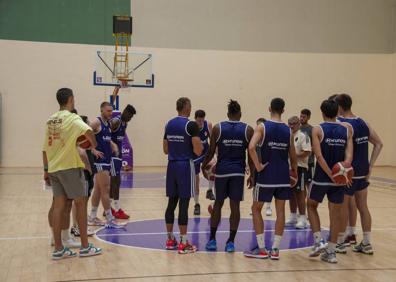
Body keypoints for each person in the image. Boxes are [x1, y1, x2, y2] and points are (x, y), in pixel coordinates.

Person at [43, 88, 102, 259]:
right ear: (70, 99)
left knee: (58, 207)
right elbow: (89, 131)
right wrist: (93, 143)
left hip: (54, 168)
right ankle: (85, 247)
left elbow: (45, 148)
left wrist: (46, 170)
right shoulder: (73, 118)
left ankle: (59, 249)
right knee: (81, 204)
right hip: (69, 166)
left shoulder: (50, 120)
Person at [244, 98, 297, 260]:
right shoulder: (288, 130)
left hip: (266, 175)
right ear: (283, 110)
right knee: (280, 211)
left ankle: (261, 249)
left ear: (269, 108)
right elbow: (293, 156)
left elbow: (251, 147)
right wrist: (294, 172)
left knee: (256, 209)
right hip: (283, 175)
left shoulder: (262, 126)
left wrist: (258, 166)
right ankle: (275, 249)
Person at [202, 100, 254, 252]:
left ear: (227, 114)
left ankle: (212, 240)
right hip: (238, 172)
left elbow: (211, 152)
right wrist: (252, 174)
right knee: (235, 206)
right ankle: (230, 242)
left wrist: (203, 165)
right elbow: (250, 155)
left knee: (218, 204)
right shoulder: (248, 130)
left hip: (222, 171)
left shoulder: (218, 128)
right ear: (240, 114)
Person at [335, 94, 383, 255]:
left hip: (347, 172)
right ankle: (367, 243)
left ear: (340, 107)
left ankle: (340, 242)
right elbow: (379, 144)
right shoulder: (363, 122)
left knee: (343, 208)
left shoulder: (342, 124)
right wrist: (370, 165)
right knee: (363, 207)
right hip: (362, 172)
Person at [307, 99, 353, 264]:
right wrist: (343, 173)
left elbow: (319, 156)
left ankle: (319, 241)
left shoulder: (317, 129)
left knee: (311, 205)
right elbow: (349, 156)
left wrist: (330, 174)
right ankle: (331, 252)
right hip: (340, 179)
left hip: (322, 177)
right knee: (336, 214)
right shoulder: (346, 129)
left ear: (322, 112)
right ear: (336, 112)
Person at [163, 97, 203, 254]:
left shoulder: (169, 124)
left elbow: (165, 149)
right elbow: (198, 150)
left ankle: (169, 239)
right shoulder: (191, 125)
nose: (191, 108)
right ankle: (184, 243)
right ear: (186, 108)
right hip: (185, 165)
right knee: (184, 203)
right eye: (190, 106)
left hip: (171, 165)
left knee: (171, 202)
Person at [88, 102, 124, 228]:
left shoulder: (108, 124)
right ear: (101, 110)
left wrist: (113, 145)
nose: (110, 113)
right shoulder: (96, 122)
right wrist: (92, 149)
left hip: (107, 159)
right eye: (108, 111)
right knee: (106, 189)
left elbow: (106, 139)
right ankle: (109, 218)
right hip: (99, 160)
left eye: (111, 111)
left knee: (98, 189)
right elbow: (85, 132)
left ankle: (92, 217)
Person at [109, 104, 136, 219]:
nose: (130, 118)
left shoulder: (125, 123)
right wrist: (112, 145)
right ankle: (115, 208)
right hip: (112, 155)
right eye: (129, 115)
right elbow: (104, 133)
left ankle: (110, 208)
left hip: (118, 155)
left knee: (115, 182)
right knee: (115, 181)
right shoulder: (116, 121)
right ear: (125, 112)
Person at [286, 116, 311, 229]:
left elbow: (307, 152)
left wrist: (294, 156)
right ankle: (292, 216)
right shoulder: (288, 135)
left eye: (294, 123)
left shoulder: (303, 136)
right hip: (289, 168)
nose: (291, 126)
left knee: (300, 193)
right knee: (291, 193)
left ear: (298, 124)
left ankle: (302, 218)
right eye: (289, 123)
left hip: (300, 168)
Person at [192, 109, 214, 215]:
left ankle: (209, 191)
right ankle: (196, 204)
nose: (200, 122)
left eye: (202, 120)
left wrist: (216, 154)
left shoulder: (208, 125)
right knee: (196, 181)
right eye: (198, 120)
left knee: (213, 170)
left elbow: (213, 140)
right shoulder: (191, 126)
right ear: (195, 119)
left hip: (206, 152)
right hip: (195, 154)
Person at [256, 118, 272, 217]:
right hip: (257, 166)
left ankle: (268, 207)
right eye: (257, 125)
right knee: (256, 187)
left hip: (266, 166)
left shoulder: (268, 137)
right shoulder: (255, 137)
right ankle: (256, 205)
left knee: (268, 188)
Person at [300, 109, 314, 184]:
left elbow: (315, 146)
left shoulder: (312, 129)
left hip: (309, 162)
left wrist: (309, 152)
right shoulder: (297, 129)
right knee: (301, 186)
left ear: (308, 117)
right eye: (301, 116)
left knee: (309, 184)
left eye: (304, 117)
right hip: (299, 163)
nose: (301, 118)